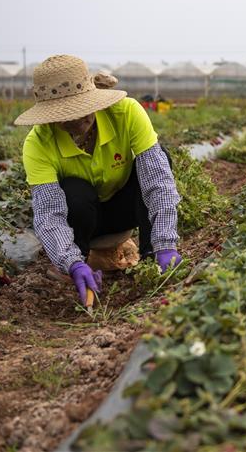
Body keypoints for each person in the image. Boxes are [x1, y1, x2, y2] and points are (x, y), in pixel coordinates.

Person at [15, 54, 181, 306]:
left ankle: (152, 257)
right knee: (74, 190)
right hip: (82, 223)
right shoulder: (38, 143)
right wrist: (71, 261)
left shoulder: (126, 112)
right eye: (65, 115)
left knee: (159, 158)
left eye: (82, 109)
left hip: (124, 211)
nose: (77, 119)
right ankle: (80, 263)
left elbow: (158, 182)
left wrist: (166, 242)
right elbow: (49, 214)